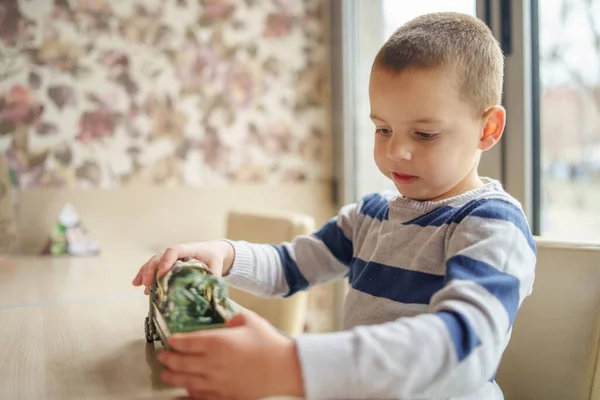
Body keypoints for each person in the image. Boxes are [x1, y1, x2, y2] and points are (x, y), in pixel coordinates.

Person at [132, 12, 536, 400]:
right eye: (383, 129)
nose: (396, 150)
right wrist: (225, 254)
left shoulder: (491, 225)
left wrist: (289, 364)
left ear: (488, 129)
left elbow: (463, 346)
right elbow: (290, 266)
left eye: (425, 134)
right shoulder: (370, 216)